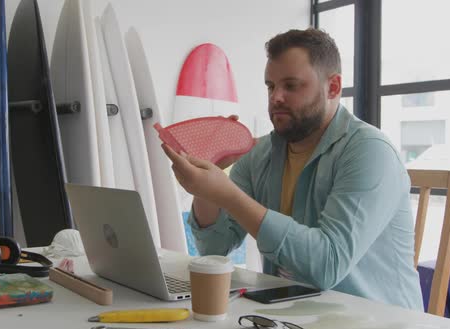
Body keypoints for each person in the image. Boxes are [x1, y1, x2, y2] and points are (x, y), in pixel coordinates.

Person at [162, 28, 423, 310]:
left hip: (379, 321)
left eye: (291, 85)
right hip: (294, 313)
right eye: (271, 86)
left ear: (333, 87)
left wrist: (227, 195)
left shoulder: (370, 152)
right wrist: (205, 185)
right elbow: (213, 249)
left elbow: (327, 266)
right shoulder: (260, 154)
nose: (276, 97)